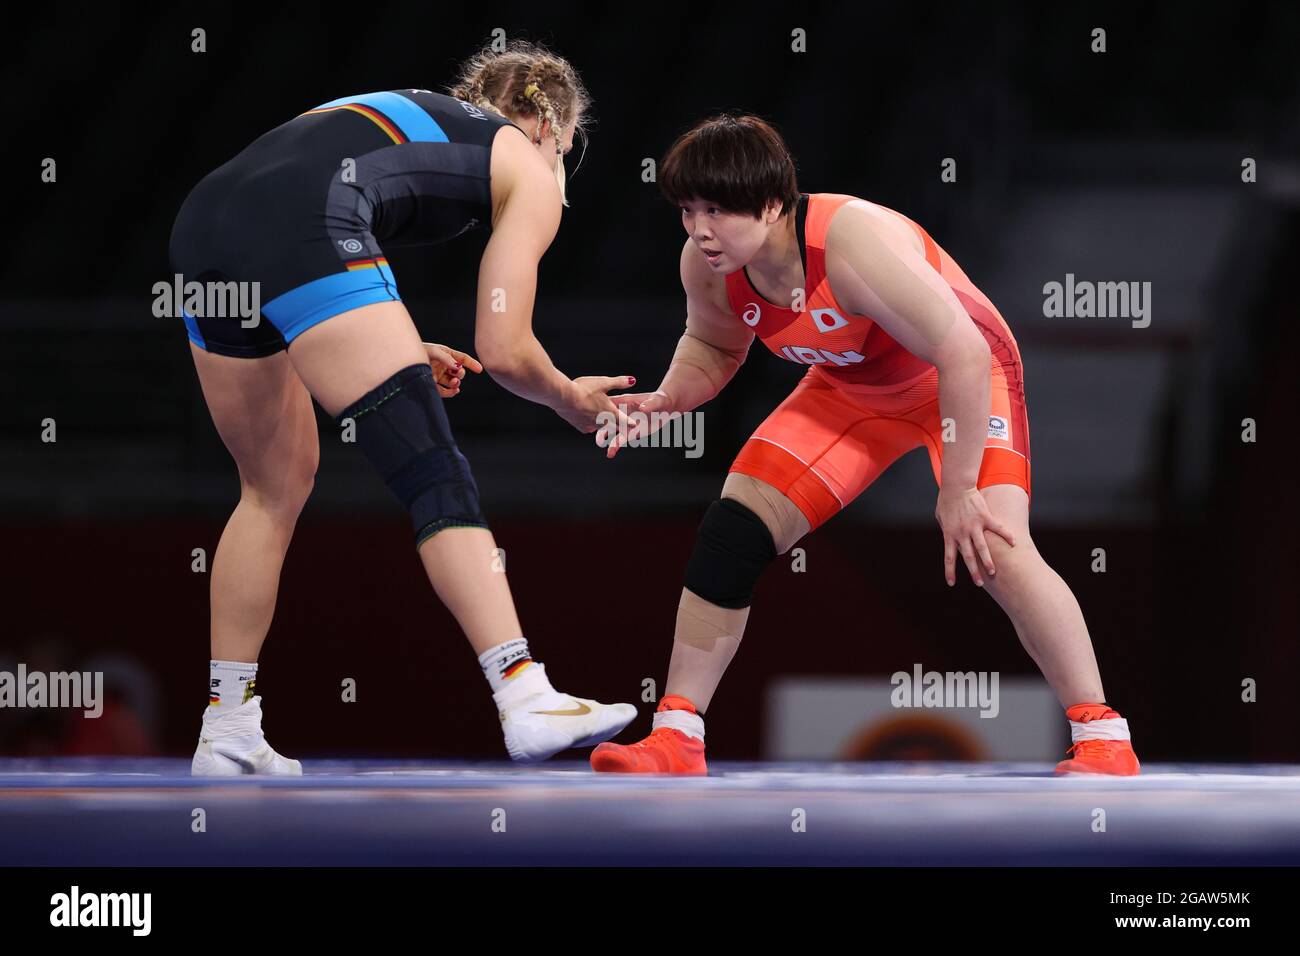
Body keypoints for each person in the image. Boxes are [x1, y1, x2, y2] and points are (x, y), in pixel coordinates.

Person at [590, 115, 1140, 776]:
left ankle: (1104, 739)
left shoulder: (850, 242)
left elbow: (962, 350)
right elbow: (713, 347)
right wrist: (667, 399)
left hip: (963, 378)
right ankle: (676, 736)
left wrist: (959, 488)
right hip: (852, 387)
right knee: (732, 533)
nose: (699, 230)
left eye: (717, 211)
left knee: (997, 549)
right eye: (687, 210)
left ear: (771, 205)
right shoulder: (710, 265)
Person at [168, 40, 637, 775]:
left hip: (201, 228)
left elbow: (294, 203)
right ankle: (524, 692)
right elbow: (505, 348)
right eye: (566, 150)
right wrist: (569, 395)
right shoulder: (527, 164)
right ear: (554, 131)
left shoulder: (398, 109)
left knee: (271, 488)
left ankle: (227, 727)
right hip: (305, 227)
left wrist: (399, 340)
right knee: (432, 472)